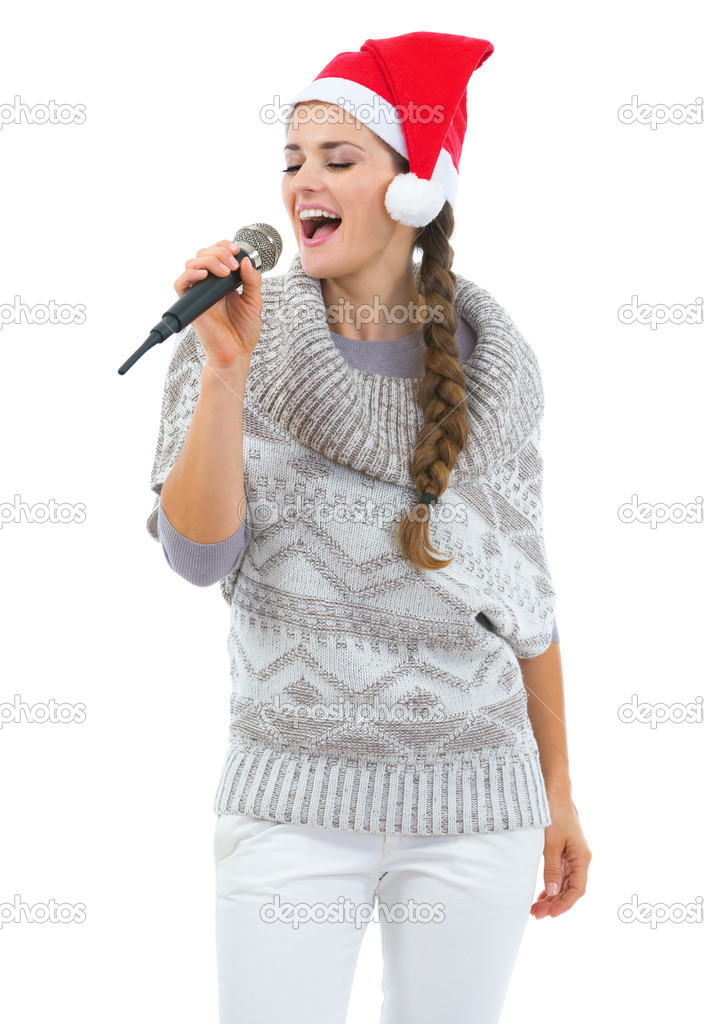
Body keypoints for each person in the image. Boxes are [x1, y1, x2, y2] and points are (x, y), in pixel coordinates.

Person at [146, 31, 591, 1024]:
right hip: (288, 807)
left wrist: (558, 791)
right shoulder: (239, 334)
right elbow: (195, 552)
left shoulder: (498, 364)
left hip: (478, 808)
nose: (304, 180)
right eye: (292, 161)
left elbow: (524, 600)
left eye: (338, 159)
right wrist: (224, 371)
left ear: (409, 189)